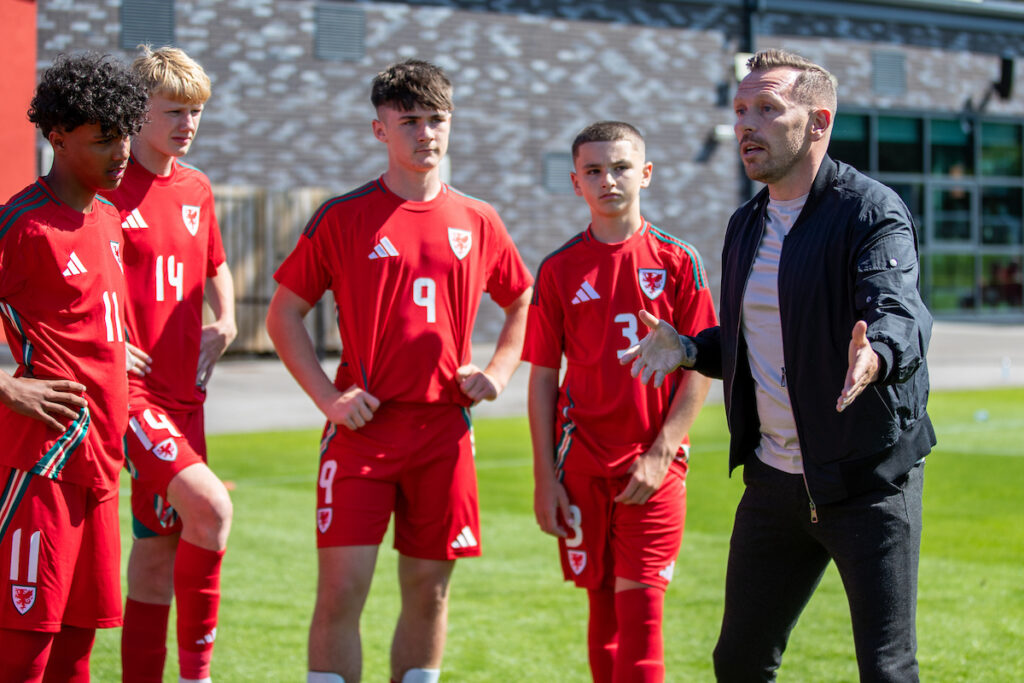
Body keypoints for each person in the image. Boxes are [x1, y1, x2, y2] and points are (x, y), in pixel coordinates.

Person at [621, 49, 935, 682]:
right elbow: (749, 340)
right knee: (738, 661)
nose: (747, 125)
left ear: (818, 121)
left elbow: (900, 311)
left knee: (886, 667)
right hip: (773, 484)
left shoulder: (870, 211)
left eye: (768, 109)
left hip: (866, 482)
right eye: (740, 110)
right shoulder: (746, 224)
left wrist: (878, 352)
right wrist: (689, 348)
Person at [265, 59, 533, 683]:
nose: (425, 134)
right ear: (379, 130)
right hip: (363, 433)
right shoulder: (342, 217)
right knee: (341, 593)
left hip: (445, 434)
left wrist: (499, 369)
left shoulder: (480, 219)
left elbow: (522, 299)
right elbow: (284, 316)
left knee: (430, 592)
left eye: (436, 119)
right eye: (408, 121)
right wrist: (329, 399)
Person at [524, 121, 716, 683]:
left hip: (653, 470)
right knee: (602, 619)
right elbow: (541, 378)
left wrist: (662, 451)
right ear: (576, 183)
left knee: (641, 627)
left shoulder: (678, 260)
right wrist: (544, 477)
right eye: (594, 171)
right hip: (580, 468)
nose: (609, 179)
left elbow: (701, 364)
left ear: (646, 174)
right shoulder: (559, 269)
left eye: (621, 167)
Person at [0, 53, 148, 682]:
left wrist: (115, 355)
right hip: (43, 464)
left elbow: (84, 318)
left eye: (125, 135)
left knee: (77, 647)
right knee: (24, 650)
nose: (121, 152)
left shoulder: (110, 218)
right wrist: (4, 384)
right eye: (103, 139)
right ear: (57, 138)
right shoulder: (22, 224)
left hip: (102, 466)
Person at [103, 45, 236, 683]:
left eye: (196, 112)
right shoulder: (105, 186)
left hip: (188, 395)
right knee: (210, 509)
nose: (188, 123)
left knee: (158, 552)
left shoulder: (197, 186)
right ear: (137, 114)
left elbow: (215, 265)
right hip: (129, 392)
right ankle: (198, 676)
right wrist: (98, 344)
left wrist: (228, 317)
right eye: (174, 111)